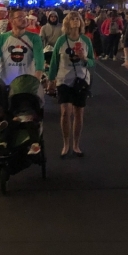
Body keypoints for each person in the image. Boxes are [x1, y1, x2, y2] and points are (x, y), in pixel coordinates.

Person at [48, 11, 95, 157]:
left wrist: (84, 58)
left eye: (77, 19)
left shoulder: (86, 41)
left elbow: (92, 62)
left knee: (78, 113)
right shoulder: (61, 41)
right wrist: (51, 80)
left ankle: (76, 144)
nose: (75, 21)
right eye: (72, 19)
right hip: (64, 80)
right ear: (67, 23)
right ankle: (66, 143)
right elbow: (54, 61)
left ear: (81, 23)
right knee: (65, 112)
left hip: (81, 80)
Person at [0, 8, 45, 85]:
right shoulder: (1, 38)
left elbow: (39, 61)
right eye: (20, 17)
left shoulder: (34, 38)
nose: (24, 19)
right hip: (6, 83)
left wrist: (36, 81)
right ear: (12, 20)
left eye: (25, 16)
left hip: (26, 84)